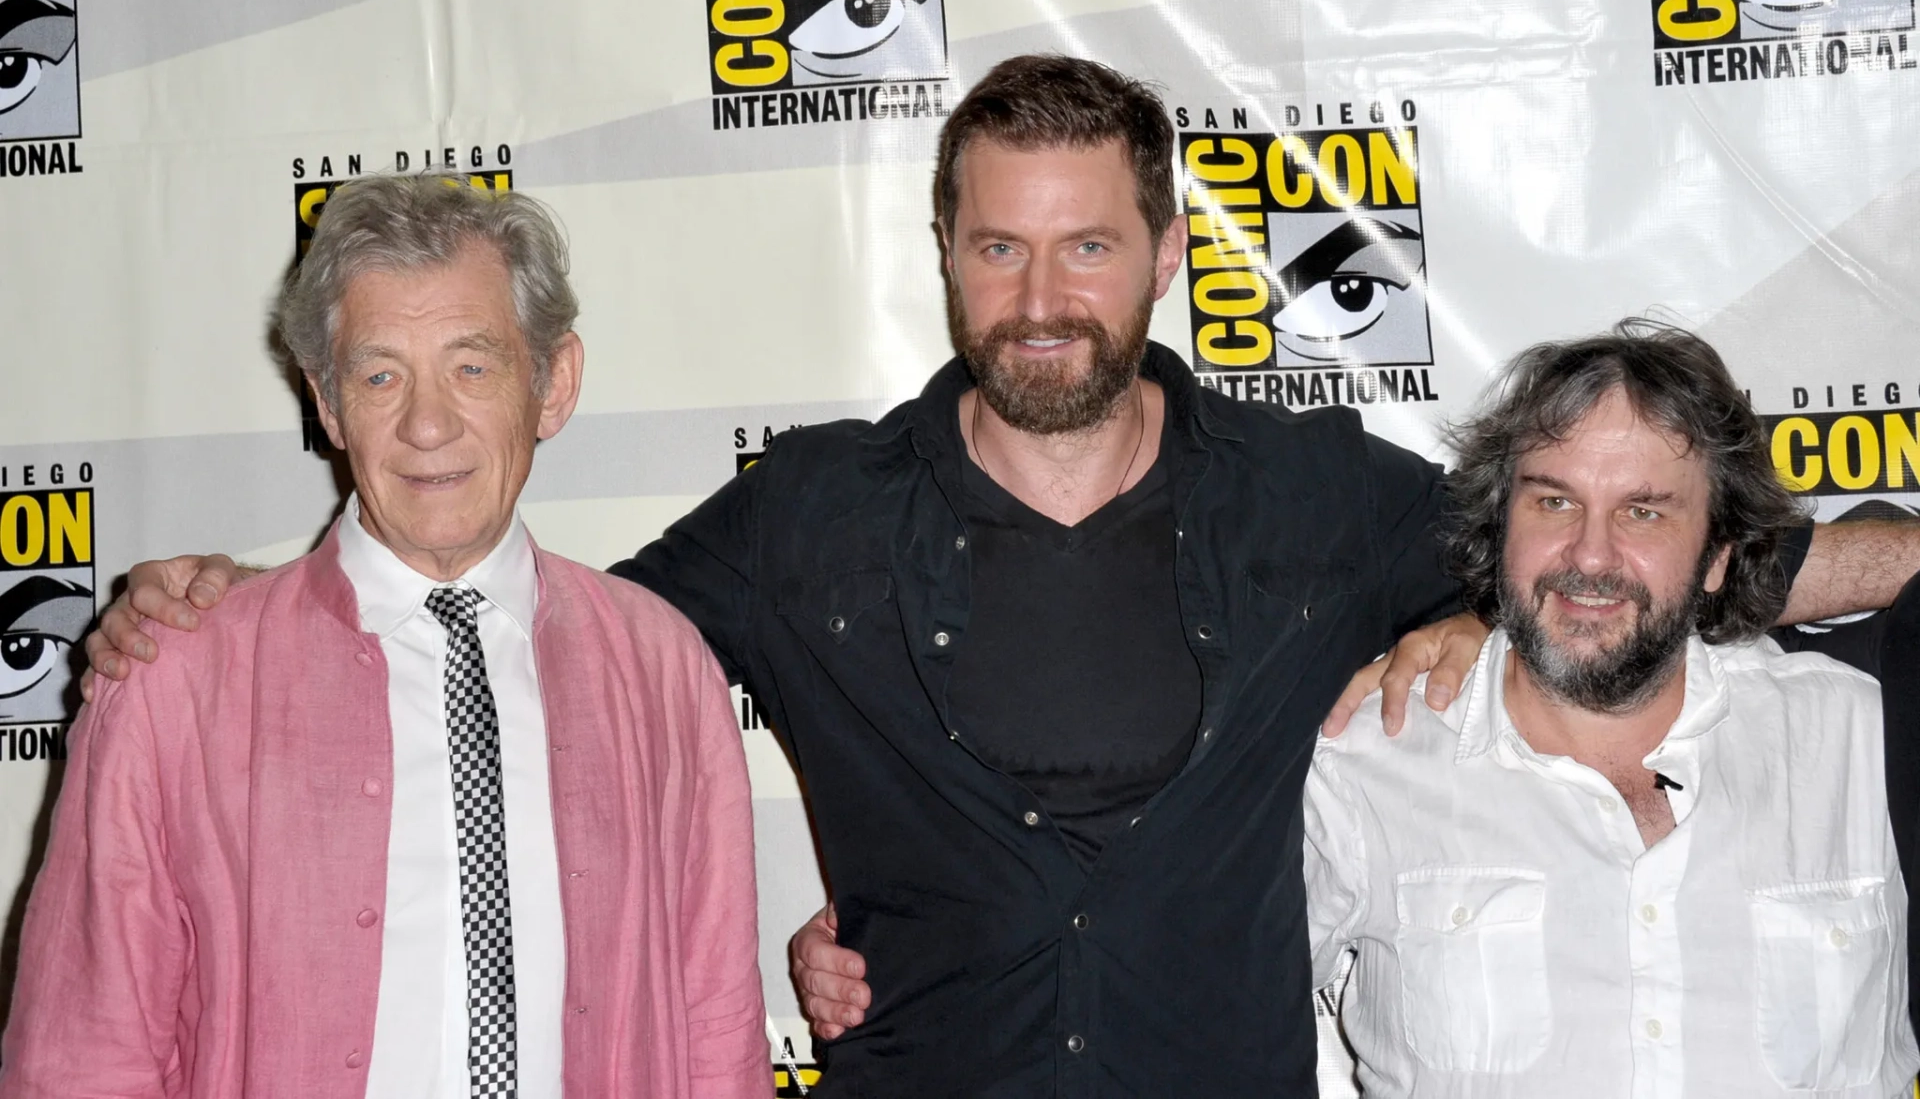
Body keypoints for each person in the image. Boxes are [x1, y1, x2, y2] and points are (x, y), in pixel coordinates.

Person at [86, 59, 1920, 1096]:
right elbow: (508, 621)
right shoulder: (800, 519)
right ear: (946, 254)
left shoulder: (1320, 493)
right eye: (999, 246)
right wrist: (239, 597)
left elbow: (1615, 563)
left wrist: (1863, 551)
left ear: (1163, 253)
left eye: (1090, 245)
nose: (1043, 296)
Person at [1, 176, 768, 1099]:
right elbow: (81, 1053)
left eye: (471, 366)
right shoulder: (175, 678)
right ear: (327, 404)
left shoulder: (663, 669)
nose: (426, 423)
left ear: (552, 384)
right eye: (379, 374)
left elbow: (715, 1028)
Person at [1300, 324, 1917, 1094]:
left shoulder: (1865, 742)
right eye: (1555, 502)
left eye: (1644, 512)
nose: (1590, 556)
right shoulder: (1365, 763)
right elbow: (1209, 1027)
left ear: (1720, 554)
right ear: (1501, 529)